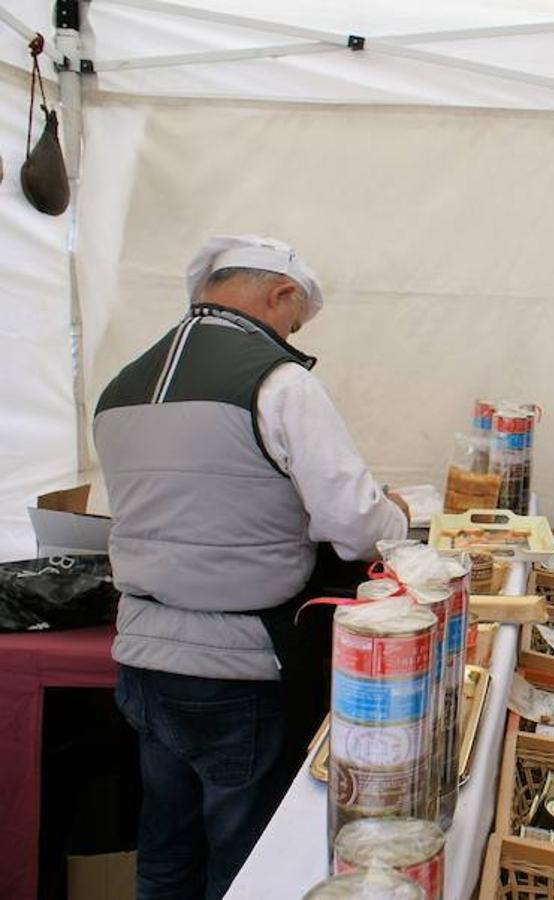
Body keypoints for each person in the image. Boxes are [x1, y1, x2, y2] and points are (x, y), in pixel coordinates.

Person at [95, 235, 410, 900]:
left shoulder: (121, 385)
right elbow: (354, 526)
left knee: (164, 851)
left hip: (143, 657)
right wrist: (395, 516)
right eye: (294, 322)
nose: (290, 333)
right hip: (236, 666)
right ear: (281, 295)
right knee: (241, 867)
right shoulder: (279, 381)